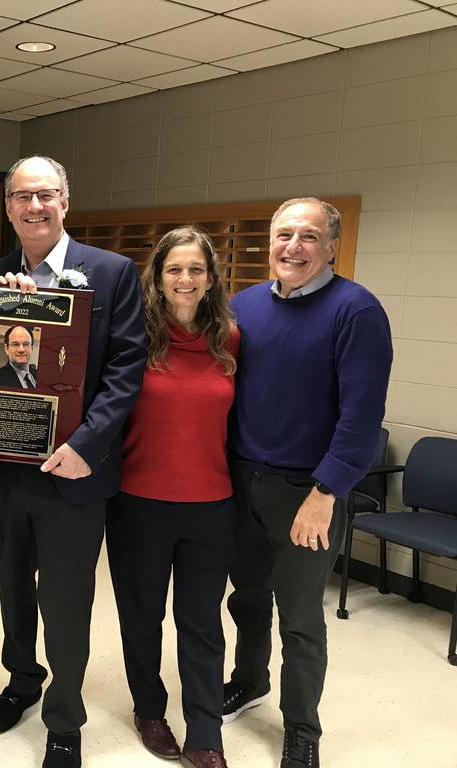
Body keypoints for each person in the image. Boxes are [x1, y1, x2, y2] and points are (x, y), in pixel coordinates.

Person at [0, 155, 147, 768]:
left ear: (65, 203)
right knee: (12, 588)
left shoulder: (113, 272)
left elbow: (127, 370)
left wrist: (86, 446)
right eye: (21, 196)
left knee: (67, 600)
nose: (33, 206)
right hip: (1, 472)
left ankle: (65, 716)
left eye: (44, 195)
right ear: (9, 208)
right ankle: (23, 679)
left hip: (74, 474)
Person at [222, 198, 392, 768]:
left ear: (331, 247)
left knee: (299, 617)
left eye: (308, 236)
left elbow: (361, 417)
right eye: (283, 234)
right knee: (245, 597)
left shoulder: (356, 311)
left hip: (307, 493)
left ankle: (302, 728)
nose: (292, 246)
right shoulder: (242, 306)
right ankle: (249, 680)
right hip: (241, 481)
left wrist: (326, 494)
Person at [107, 227, 239, 768]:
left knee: (202, 622)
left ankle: (206, 732)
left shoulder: (229, 339)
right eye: (174, 270)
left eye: (196, 271)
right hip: (138, 503)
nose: (185, 280)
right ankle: (150, 709)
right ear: (157, 279)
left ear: (210, 280)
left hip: (211, 505)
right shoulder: (133, 337)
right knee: (141, 616)